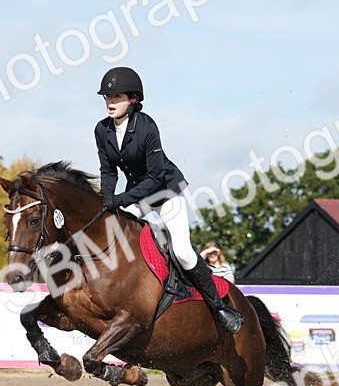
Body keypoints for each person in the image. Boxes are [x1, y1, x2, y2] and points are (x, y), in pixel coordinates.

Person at [95, 67, 242, 333]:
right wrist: (106, 198)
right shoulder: (102, 130)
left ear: (132, 99)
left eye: (116, 96)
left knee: (182, 251)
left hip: (164, 192)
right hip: (136, 194)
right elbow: (108, 171)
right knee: (118, 241)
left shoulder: (146, 127)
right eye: (107, 97)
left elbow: (155, 176)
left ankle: (220, 307)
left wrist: (122, 199)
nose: (110, 102)